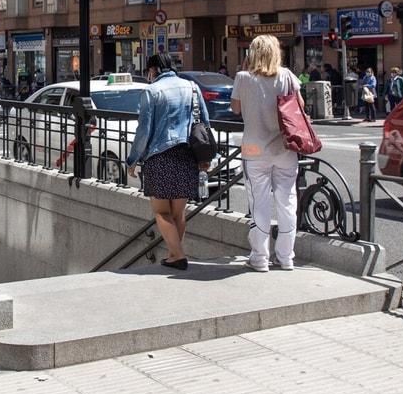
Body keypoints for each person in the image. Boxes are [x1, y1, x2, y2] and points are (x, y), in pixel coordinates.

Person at [126, 52, 210, 270]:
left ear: (153, 70)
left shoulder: (151, 91)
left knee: (161, 211)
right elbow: (205, 122)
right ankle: (174, 255)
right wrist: (207, 156)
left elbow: (144, 130)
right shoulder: (192, 87)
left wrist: (132, 159)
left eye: (148, 71)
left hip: (159, 156)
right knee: (178, 213)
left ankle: (179, 255)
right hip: (188, 155)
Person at [230, 35, 301, 272]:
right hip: (285, 149)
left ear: (251, 54)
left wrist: (245, 72)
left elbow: (235, 108)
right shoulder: (288, 76)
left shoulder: (243, 78)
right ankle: (286, 256)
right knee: (287, 201)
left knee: (258, 202)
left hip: (253, 149)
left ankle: (260, 257)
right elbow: (299, 107)